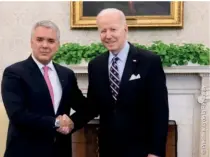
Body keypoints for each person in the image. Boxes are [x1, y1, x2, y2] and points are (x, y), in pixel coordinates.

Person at [71, 8, 169, 157]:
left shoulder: (149, 61)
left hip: (141, 150)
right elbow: (93, 106)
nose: (108, 35)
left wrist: (155, 152)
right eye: (103, 31)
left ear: (125, 29)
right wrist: (70, 123)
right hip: (108, 149)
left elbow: (159, 110)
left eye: (113, 29)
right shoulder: (96, 65)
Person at [1, 20, 86, 157]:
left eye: (51, 41)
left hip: (60, 151)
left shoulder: (67, 74)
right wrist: (56, 122)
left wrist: (72, 122)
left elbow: (84, 107)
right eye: (40, 40)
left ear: (58, 45)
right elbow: (17, 115)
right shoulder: (14, 73)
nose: (45, 45)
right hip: (25, 151)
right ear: (31, 42)